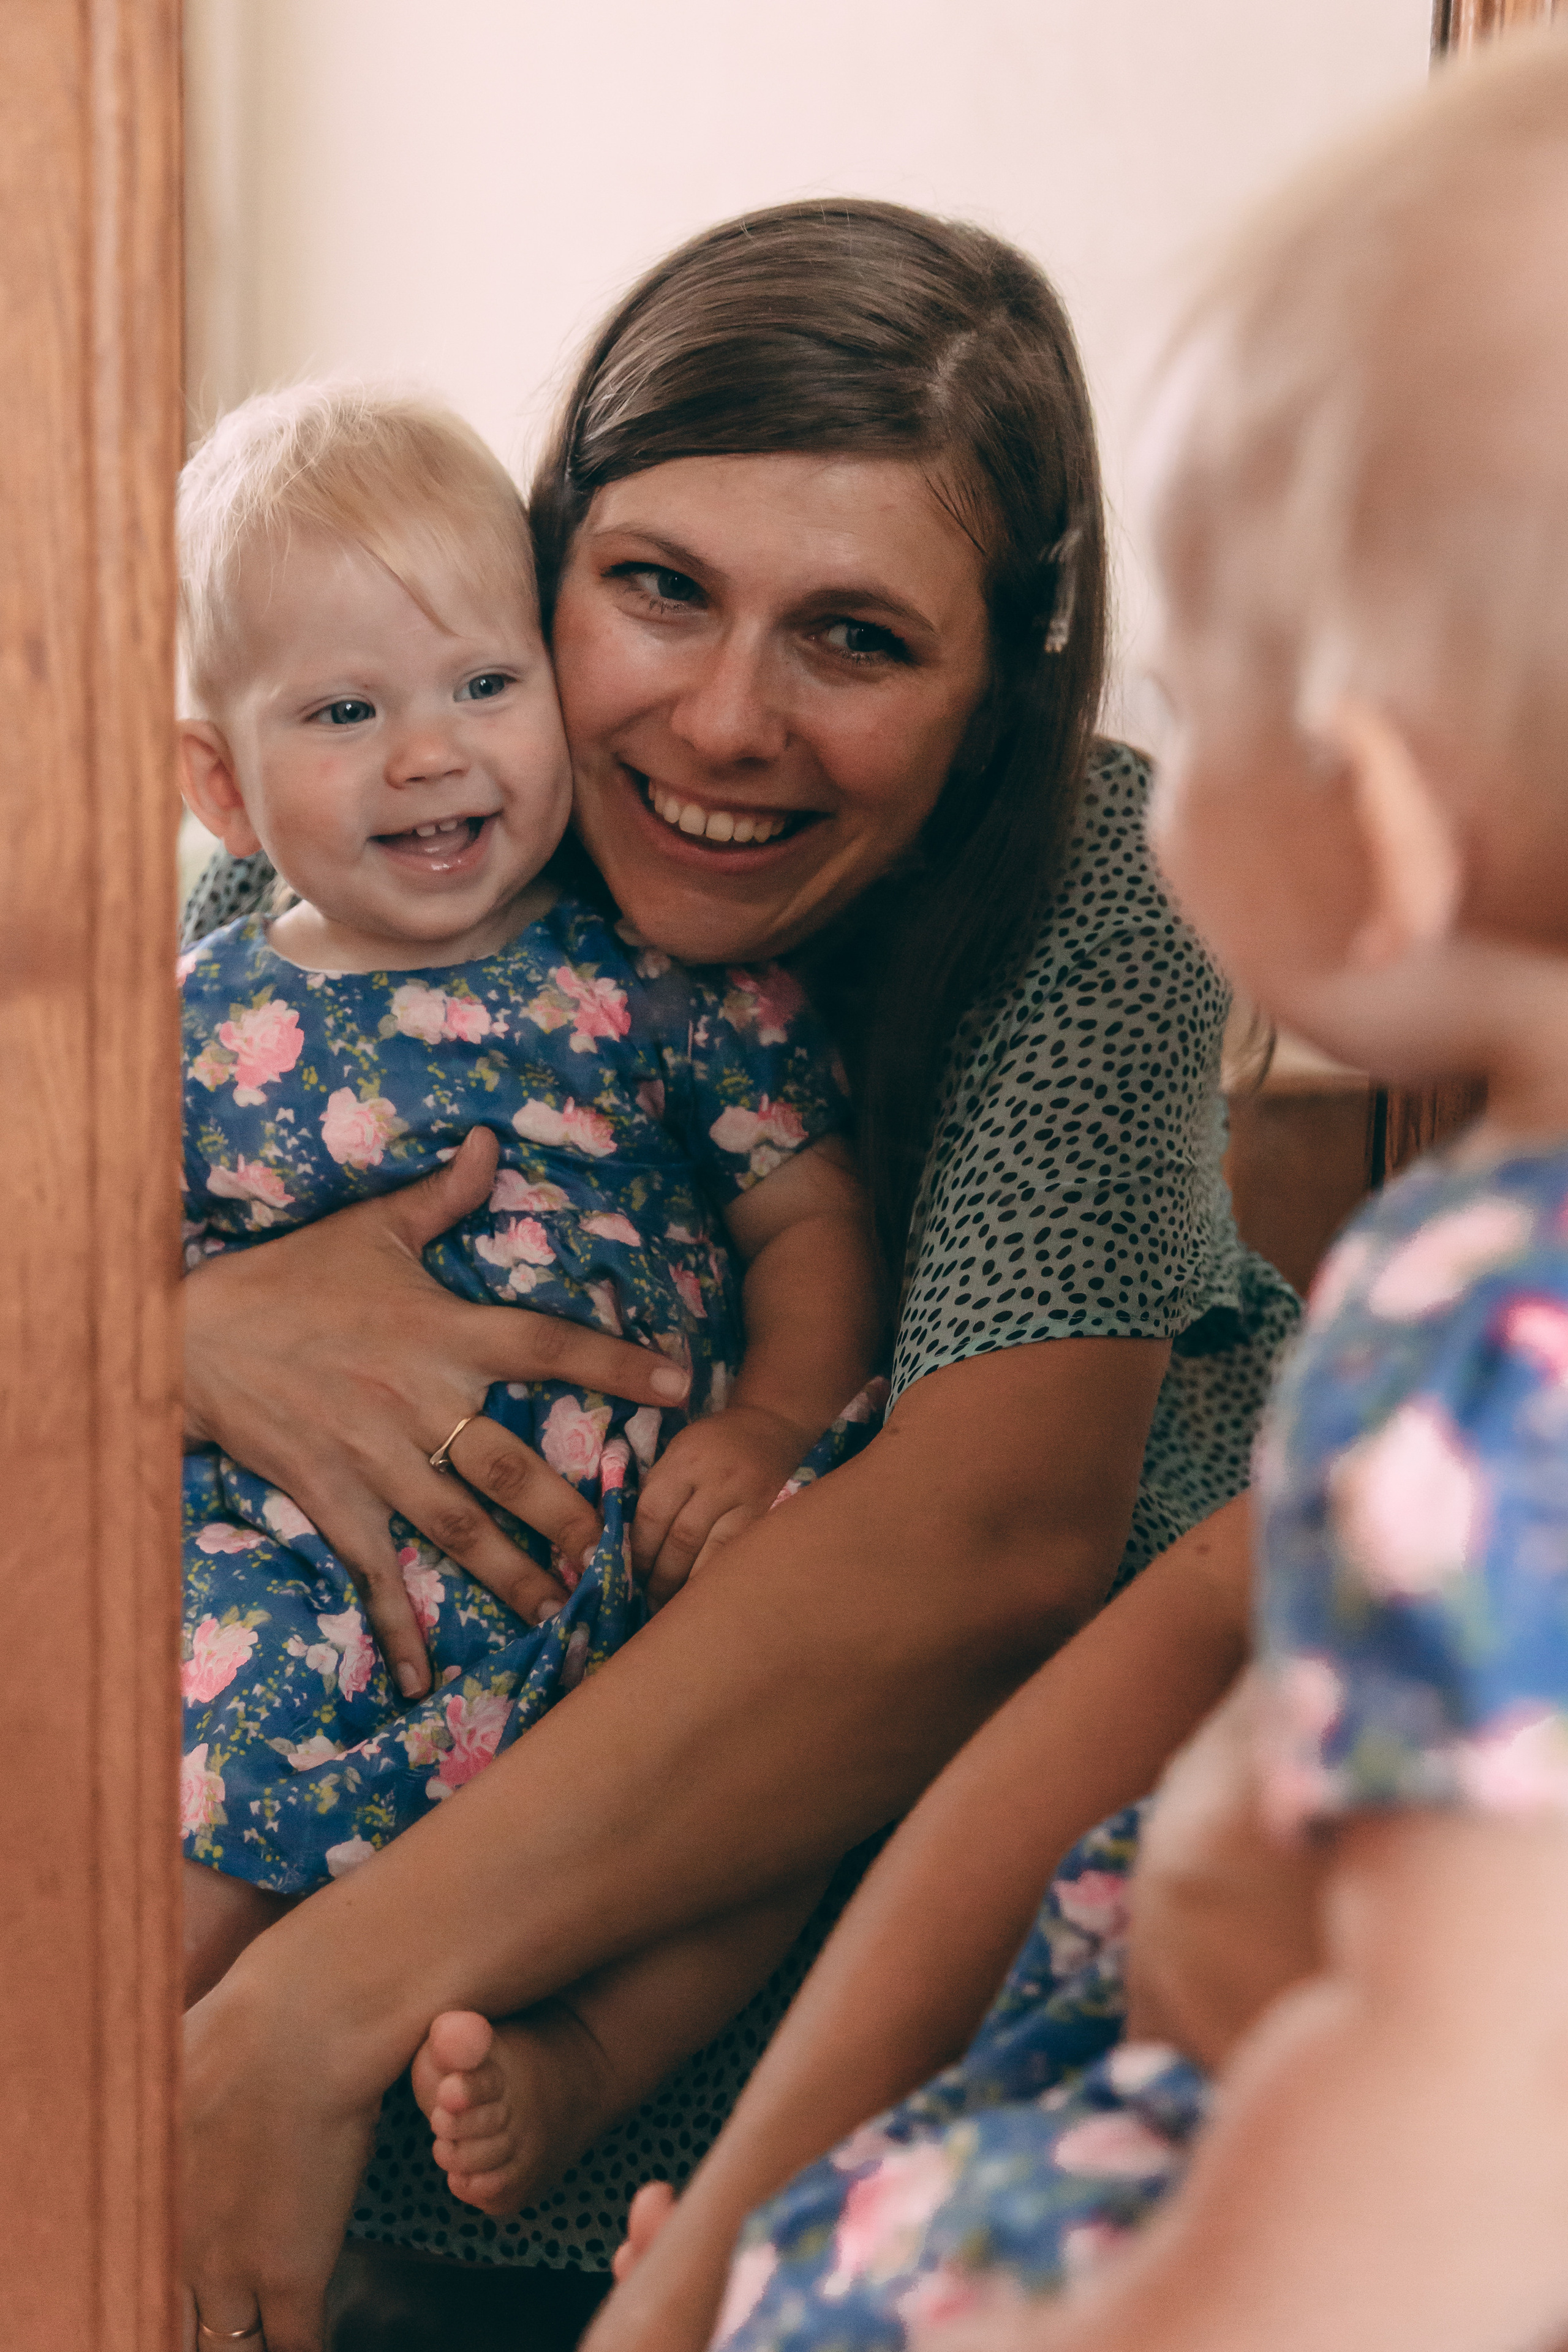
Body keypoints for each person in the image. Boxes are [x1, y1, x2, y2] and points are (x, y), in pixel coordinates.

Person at [178, 200, 1297, 2352]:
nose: (721, 722)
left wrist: (312, 2009)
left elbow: (981, 1547)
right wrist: (179, 1333)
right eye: (659, 590)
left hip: (815, 1989)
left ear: (999, 691)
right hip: (348, 1886)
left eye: (855, 639)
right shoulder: (342, 854)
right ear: (548, 558)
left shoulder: (1090, 899)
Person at [589, 33, 1568, 2351]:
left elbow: (1454, 2167)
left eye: (1196, 699)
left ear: (1371, 815)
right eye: (658, 589)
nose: (726, 722)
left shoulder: (1484, 1338)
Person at [173, 383, 883, 2051]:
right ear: (223, 784)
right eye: (344, 710)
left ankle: (577, 2071)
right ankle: (121, 2139)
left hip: (624, 1569)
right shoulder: (188, 1025)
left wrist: (774, 1421)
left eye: (485, 685)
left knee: (775, 1770)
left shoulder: (655, 977)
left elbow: (808, 1220)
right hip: (292, 1574)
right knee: (166, 1865)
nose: (431, 752)